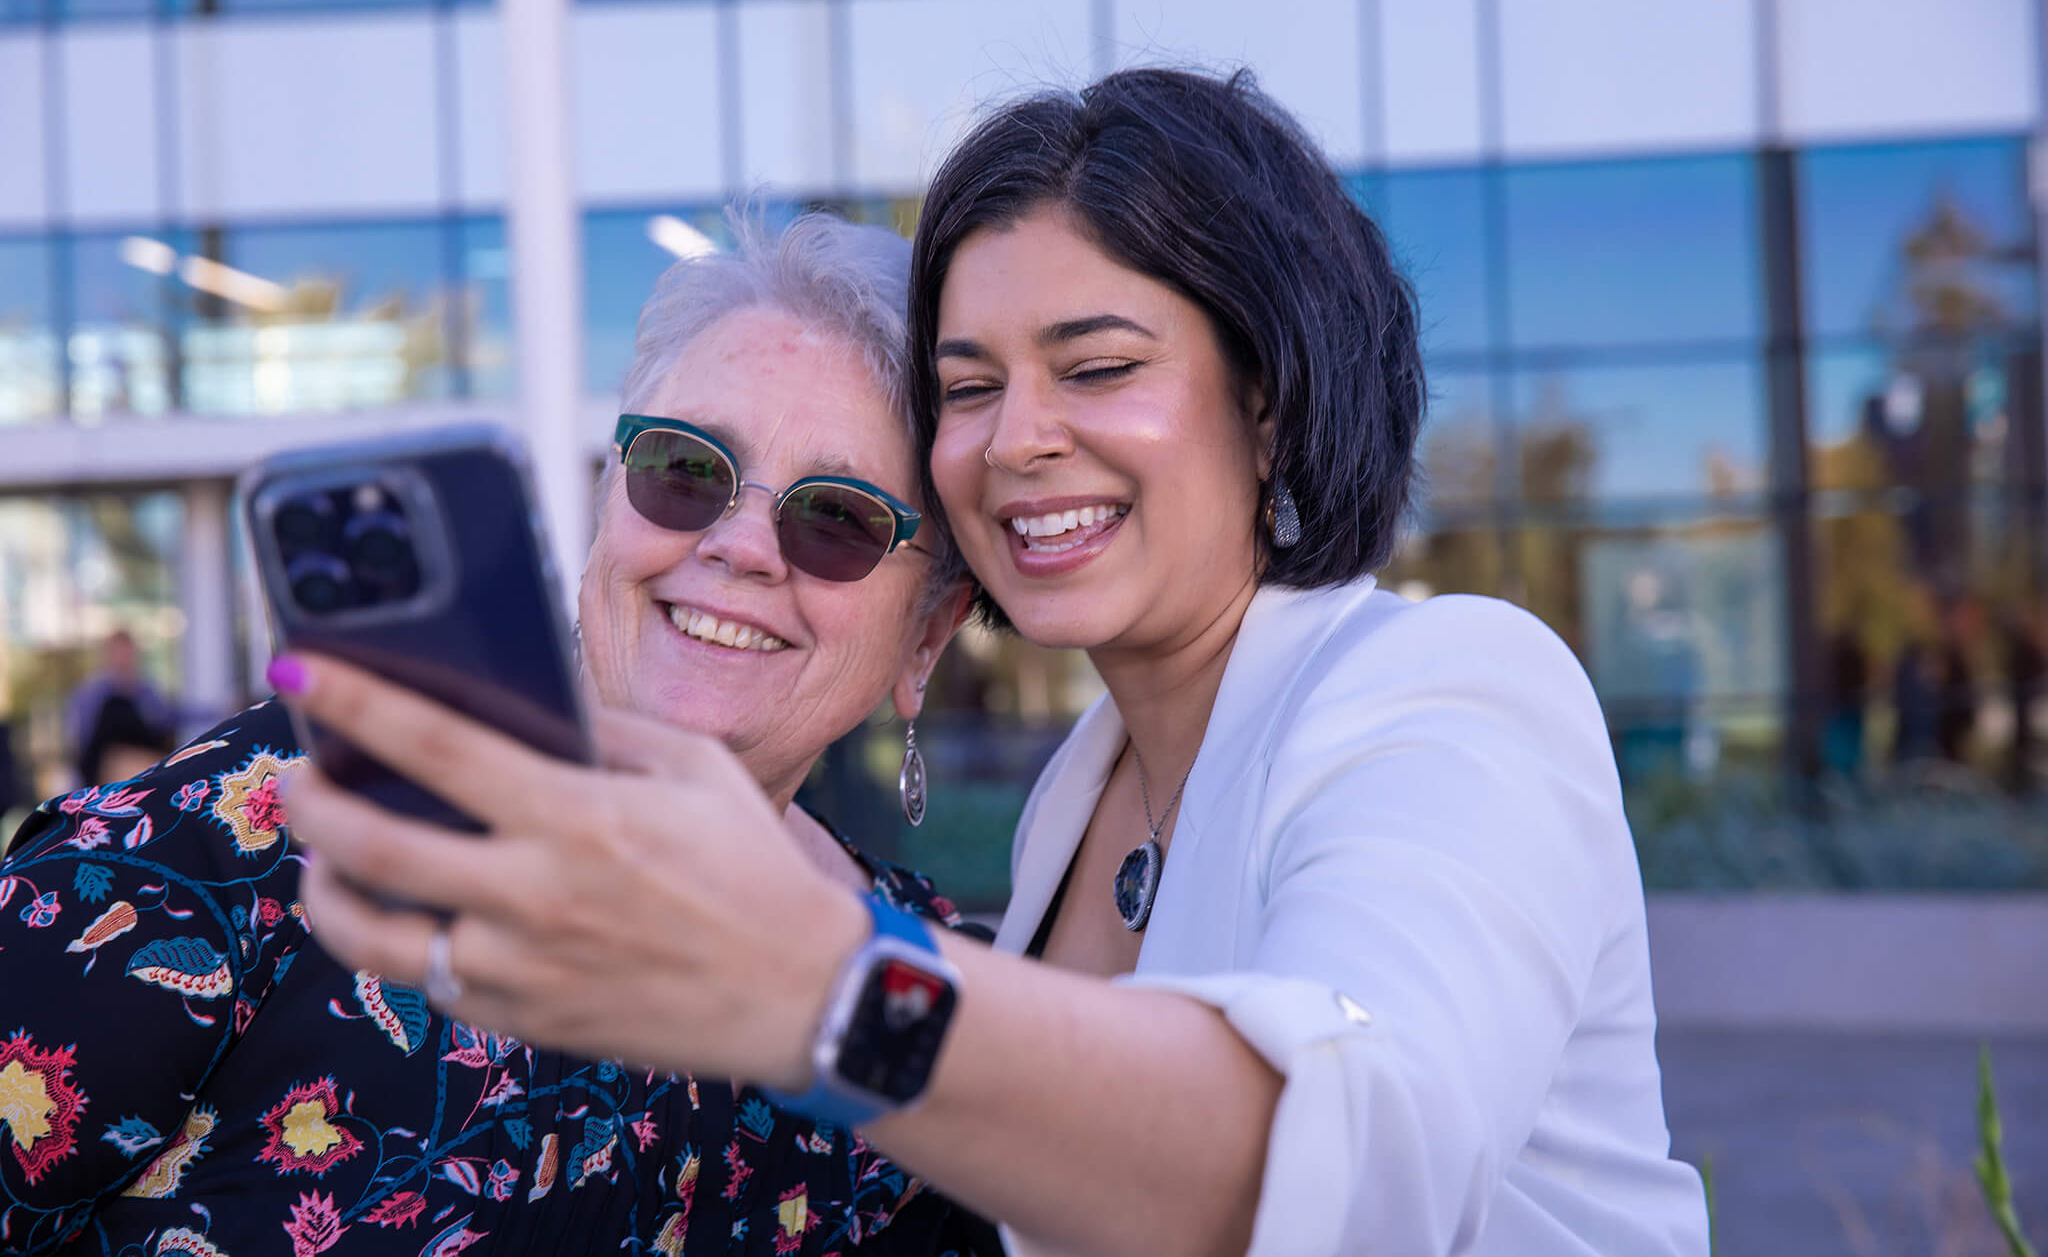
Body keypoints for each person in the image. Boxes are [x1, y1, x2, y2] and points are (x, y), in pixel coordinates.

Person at [278, 69, 1710, 1256]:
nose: (1016, 438)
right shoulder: (1069, 812)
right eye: (968, 387)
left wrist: (815, 983)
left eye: (1097, 368)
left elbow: (1353, 1170)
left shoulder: (1453, 686)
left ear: (1269, 401)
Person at [0, 213, 998, 1255]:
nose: (739, 545)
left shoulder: (927, 1004)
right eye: (686, 470)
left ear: (925, 635)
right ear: (607, 506)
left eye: (838, 518)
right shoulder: (270, 822)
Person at [63, 628, 175, 783]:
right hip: (105, 761)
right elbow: (81, 738)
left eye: (127, 654)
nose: (123, 659)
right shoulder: (91, 693)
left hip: (140, 755)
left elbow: (166, 719)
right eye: (118, 653)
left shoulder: (146, 690)